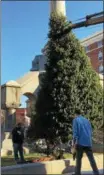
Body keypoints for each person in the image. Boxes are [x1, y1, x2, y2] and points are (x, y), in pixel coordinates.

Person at [72, 109, 99, 175]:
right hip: (88, 142)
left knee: (78, 159)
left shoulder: (75, 120)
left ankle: (77, 173)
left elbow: (75, 133)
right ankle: (96, 173)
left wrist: (74, 144)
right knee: (91, 159)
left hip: (80, 142)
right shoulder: (87, 121)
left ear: (75, 114)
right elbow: (90, 131)